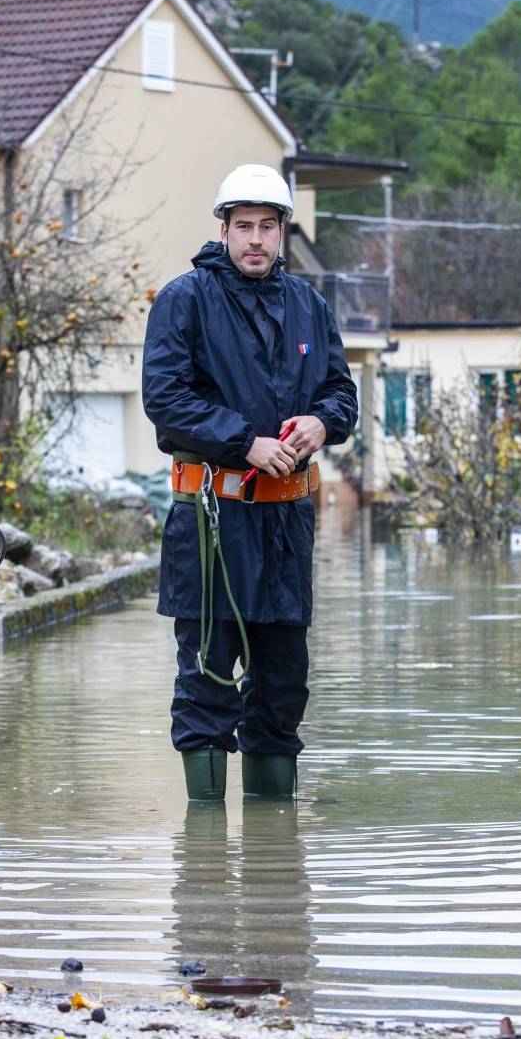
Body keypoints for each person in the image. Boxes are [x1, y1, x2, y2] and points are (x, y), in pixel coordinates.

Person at [142, 163, 358, 802]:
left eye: (268, 227)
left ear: (284, 231)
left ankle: (273, 862)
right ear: (224, 229)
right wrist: (245, 442)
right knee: (208, 677)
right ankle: (205, 856)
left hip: (288, 524)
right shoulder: (185, 298)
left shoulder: (309, 306)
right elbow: (165, 396)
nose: (256, 240)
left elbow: (342, 390)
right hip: (212, 516)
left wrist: (322, 423)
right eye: (244, 227)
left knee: (284, 686)